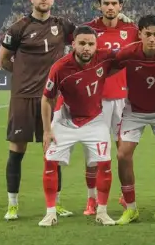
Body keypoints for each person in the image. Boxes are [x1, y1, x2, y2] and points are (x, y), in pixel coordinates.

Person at [0, 0, 75, 221]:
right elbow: (4, 59)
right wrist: (23, 76)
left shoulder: (62, 25)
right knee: (17, 149)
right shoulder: (18, 28)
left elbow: (87, 37)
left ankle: (56, 203)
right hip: (22, 97)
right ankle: (12, 205)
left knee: (52, 150)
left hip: (51, 98)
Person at [40, 26, 122, 227]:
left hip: (95, 120)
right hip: (66, 120)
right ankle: (50, 213)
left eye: (91, 44)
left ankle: (102, 212)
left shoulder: (104, 57)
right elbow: (47, 99)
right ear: (73, 44)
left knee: (105, 163)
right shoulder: (60, 68)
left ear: (96, 45)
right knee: (50, 162)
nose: (86, 48)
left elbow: (130, 52)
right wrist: (47, 130)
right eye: (82, 43)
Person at [114, 15, 155, 226]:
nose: (152, 38)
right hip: (134, 110)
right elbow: (108, 67)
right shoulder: (128, 53)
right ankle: (130, 208)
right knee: (123, 154)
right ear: (140, 34)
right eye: (148, 34)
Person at [83, 0, 139, 215]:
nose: (110, 7)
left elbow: (152, 36)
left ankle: (126, 196)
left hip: (124, 100)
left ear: (121, 6)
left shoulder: (132, 30)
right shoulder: (89, 30)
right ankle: (91, 199)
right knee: (93, 152)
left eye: (114, 3)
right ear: (99, 6)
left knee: (124, 152)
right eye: (106, 3)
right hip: (96, 100)